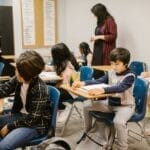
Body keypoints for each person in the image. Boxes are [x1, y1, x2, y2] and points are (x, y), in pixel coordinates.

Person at [73, 48, 136, 150]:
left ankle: (123, 147)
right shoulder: (111, 72)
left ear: (125, 64)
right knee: (86, 106)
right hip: (110, 104)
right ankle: (88, 132)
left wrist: (102, 90)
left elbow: (120, 88)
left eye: (117, 64)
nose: (113, 66)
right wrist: (83, 83)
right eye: (112, 63)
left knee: (118, 122)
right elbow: (99, 80)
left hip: (125, 107)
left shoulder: (130, 76)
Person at [0, 50, 51, 149]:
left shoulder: (40, 89)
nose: (15, 71)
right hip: (21, 116)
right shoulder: (19, 78)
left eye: (18, 70)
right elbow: (5, 89)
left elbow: (32, 119)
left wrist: (9, 127)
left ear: (26, 75)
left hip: (35, 125)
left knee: (3, 146)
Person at [46, 43, 79, 123]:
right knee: (47, 89)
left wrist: (56, 85)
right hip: (63, 87)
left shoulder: (69, 67)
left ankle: (61, 108)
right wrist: (49, 68)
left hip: (69, 91)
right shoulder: (63, 63)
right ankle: (54, 111)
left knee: (51, 93)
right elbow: (57, 69)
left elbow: (65, 83)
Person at [90, 3, 117, 79]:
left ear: (100, 13)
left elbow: (113, 36)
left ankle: (103, 88)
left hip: (105, 50)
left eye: (95, 14)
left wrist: (98, 37)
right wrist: (95, 38)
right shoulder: (101, 22)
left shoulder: (110, 21)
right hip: (98, 50)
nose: (95, 16)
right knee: (97, 71)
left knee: (103, 73)